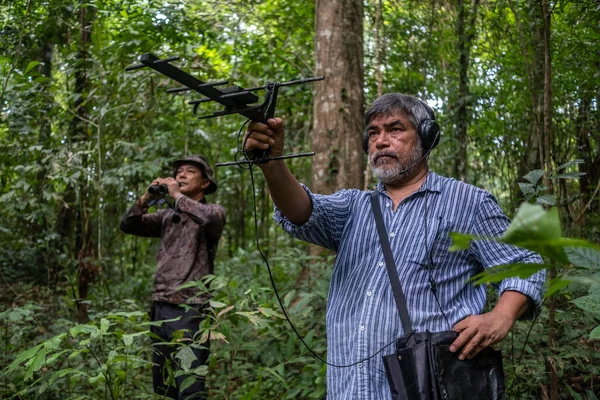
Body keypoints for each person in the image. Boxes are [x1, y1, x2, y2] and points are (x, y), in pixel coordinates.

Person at [243, 93, 546, 399]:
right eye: (373, 132)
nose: (381, 141)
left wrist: (500, 317)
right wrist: (272, 163)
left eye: (395, 129)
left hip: (431, 386)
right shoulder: (353, 206)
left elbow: (523, 265)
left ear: (427, 137)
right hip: (350, 388)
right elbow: (300, 211)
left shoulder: (468, 203)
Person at [120, 155, 226, 400]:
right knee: (164, 385)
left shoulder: (213, 212)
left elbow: (206, 218)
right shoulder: (167, 217)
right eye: (179, 171)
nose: (181, 175)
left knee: (190, 385)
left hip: (191, 309)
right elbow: (128, 225)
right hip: (160, 308)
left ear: (205, 183)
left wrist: (177, 195)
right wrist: (147, 197)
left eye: (190, 172)